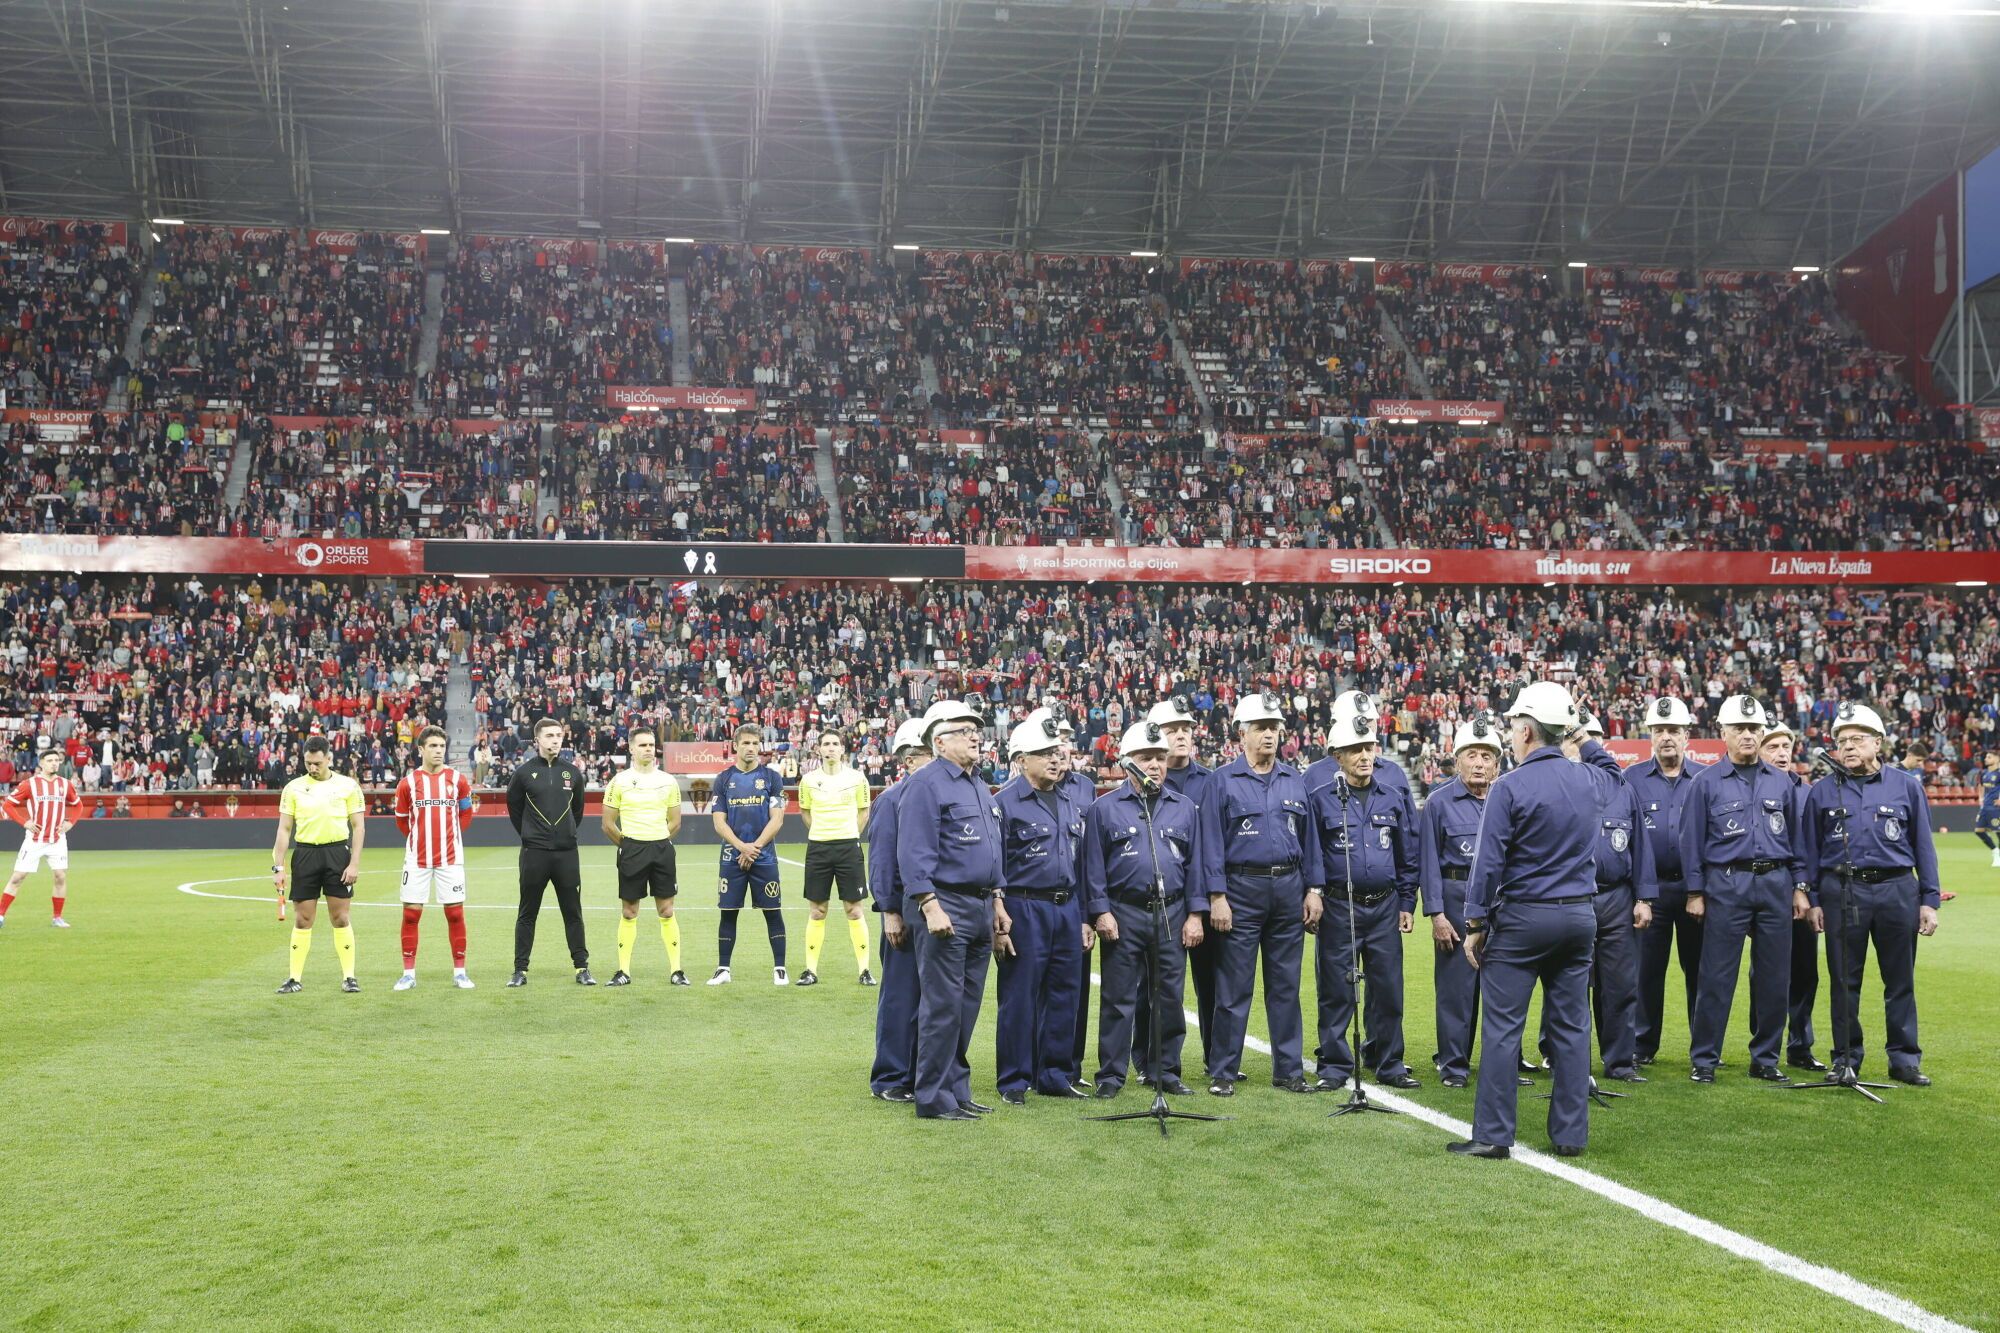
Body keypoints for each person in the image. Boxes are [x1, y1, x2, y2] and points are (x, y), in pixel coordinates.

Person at [1450, 681, 1598, 1160]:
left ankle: (1493, 1135)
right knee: (1573, 1028)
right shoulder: (1590, 780)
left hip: (1524, 920)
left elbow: (1488, 864)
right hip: (1579, 916)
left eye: (1515, 726)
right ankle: (1571, 1135)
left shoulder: (1508, 787)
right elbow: (1614, 771)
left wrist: (1475, 924)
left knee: (1502, 1028)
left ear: (1529, 730)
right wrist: (1584, 737)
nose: (1511, 735)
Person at [1800, 703, 1941, 1086]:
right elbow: (1809, 851)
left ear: (1878, 743)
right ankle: (1846, 1058)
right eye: (1842, 741)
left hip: (1898, 888)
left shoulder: (1907, 786)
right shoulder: (1822, 791)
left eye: (1857, 739)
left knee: (1900, 980)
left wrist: (1929, 899)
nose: (1848, 747)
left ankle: (1904, 1059)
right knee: (1844, 980)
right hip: (1842, 889)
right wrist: (1812, 900)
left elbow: (1923, 846)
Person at [1196, 691, 1323, 1097]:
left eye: (1275, 728)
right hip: (1241, 889)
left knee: (1286, 985)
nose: (1270, 735)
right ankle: (1223, 1071)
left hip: (1288, 888)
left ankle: (1289, 1070)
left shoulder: (1294, 780)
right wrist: (1217, 896)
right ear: (1241, 733)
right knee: (1233, 987)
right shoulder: (1221, 781)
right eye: (1261, 728)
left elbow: (1311, 842)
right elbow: (1210, 843)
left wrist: (1314, 889)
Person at [896, 699, 1009, 1121]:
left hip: (980, 905)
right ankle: (932, 1096)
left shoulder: (977, 783)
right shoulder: (926, 783)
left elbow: (992, 851)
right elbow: (913, 851)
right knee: (942, 1006)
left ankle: (956, 1089)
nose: (975, 735)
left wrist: (997, 900)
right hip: (947, 904)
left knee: (966, 1006)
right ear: (939, 741)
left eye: (976, 729)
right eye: (964, 730)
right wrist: (929, 904)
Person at [1680, 694, 1802, 1084]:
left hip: (1775, 883)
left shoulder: (1782, 782)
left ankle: (1765, 1058)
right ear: (1724, 733)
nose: (1747, 735)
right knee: (1715, 976)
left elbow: (1797, 841)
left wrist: (1799, 887)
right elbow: (1691, 842)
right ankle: (1704, 1059)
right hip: (1726, 883)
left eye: (1754, 729)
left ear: (1762, 732)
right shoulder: (1704, 783)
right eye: (1740, 729)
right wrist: (1695, 892)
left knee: (1774, 976)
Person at [1083, 721, 1201, 1098]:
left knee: (1169, 995)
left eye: (1160, 758)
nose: (1155, 765)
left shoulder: (1184, 808)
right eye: (1145, 757)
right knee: (1118, 998)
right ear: (1127, 762)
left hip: (1172, 910)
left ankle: (1165, 1071)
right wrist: (1100, 912)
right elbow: (1093, 867)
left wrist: (1195, 914)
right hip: (1123, 910)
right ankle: (1111, 1075)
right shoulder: (1103, 809)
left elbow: (1195, 865)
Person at [1309, 705, 1421, 1091]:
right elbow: (1313, 855)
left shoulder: (1393, 796)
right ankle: (1336, 1065)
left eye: (1369, 747)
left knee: (1388, 987)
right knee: (1337, 988)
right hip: (1339, 905)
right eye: (1354, 749)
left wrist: (1407, 902)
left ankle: (1389, 1061)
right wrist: (1316, 895)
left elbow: (1408, 855)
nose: (1364, 756)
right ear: (1337, 756)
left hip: (1386, 904)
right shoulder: (1321, 798)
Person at [993, 708, 1093, 1104]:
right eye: (1043, 752)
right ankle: (1014, 1080)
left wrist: (1084, 916)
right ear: (1021, 761)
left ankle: (1054, 1073)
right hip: (1024, 906)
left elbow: (1081, 863)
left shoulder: (1070, 800)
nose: (1055, 758)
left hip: (1066, 906)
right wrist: (998, 917)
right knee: (1019, 995)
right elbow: (995, 865)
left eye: (1056, 750)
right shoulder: (1004, 803)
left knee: (1064, 992)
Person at [1557, 717, 1657, 1082]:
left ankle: (1619, 1062)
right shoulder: (1559, 786)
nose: (1586, 748)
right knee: (1569, 985)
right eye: (1580, 741)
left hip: (1617, 896)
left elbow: (1641, 849)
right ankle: (1568, 1061)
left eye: (1593, 741)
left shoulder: (1622, 788)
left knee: (1619, 984)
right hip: (1571, 896)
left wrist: (1644, 897)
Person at [1418, 717, 1502, 1089]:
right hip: (1455, 901)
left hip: (1502, 905)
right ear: (1457, 759)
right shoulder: (1438, 802)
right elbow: (1429, 863)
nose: (1479, 763)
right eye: (1472, 755)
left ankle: (1503, 1063)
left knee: (1503, 989)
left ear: (1498, 764)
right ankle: (1453, 1064)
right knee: (1456, 990)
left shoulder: (1508, 798)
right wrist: (1436, 914)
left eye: (1487, 755)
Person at [1623, 696, 1707, 1066]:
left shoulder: (1705, 780)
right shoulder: (1632, 779)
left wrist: (1699, 890)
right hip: (1650, 891)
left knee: (1700, 971)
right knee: (1646, 973)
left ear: (1687, 736)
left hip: (1694, 893)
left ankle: (1703, 1045)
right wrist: (1639, 893)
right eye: (1659, 730)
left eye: (1674, 730)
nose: (1667, 737)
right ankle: (1643, 1045)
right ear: (1650, 736)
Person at [1134, 697, 1212, 1085]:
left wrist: (1209, 900)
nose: (1180, 735)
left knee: (1208, 983)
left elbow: (1211, 846)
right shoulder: (1143, 779)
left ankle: (1216, 1059)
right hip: (1148, 901)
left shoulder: (1212, 780)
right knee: (1145, 987)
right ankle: (1143, 1059)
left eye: (1186, 729)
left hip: (1196, 896)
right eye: (1171, 730)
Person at [272, 737, 367, 993]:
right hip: (305, 855)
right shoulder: (293, 788)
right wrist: (278, 867)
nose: (312, 768)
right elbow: (284, 829)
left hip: (337, 854)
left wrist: (354, 863)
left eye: (316, 763)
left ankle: (349, 977)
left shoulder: (348, 786)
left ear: (329, 758)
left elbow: (358, 828)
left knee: (341, 917)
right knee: (303, 920)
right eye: (307, 763)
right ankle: (294, 978)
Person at [868, 718, 931, 1102]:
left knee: (934, 998)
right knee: (901, 996)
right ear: (908, 761)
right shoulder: (891, 800)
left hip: (941, 910)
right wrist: (890, 911)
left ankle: (924, 1071)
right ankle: (891, 1077)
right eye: (926, 754)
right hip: (905, 914)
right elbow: (881, 863)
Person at [1757, 720, 1824, 1071]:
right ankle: (1762, 1044)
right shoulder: (1748, 787)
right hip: (1761, 892)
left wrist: (1811, 894)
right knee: (1765, 973)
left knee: (1804, 973)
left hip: (1802, 896)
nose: (1782, 753)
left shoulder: (1808, 791)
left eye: (1786, 746)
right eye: (1773, 747)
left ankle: (1800, 1046)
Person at [505, 717, 592, 987]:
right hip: (534, 853)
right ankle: (520, 971)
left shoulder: (573, 773)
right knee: (527, 912)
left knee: (573, 912)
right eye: (549, 736)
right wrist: (534, 835)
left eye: (558, 735)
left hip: (566, 853)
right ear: (537, 741)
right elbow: (515, 810)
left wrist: (562, 835)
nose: (555, 740)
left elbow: (577, 812)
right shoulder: (522, 773)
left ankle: (582, 968)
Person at [392, 726, 475, 991]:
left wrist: (451, 837)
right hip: (417, 859)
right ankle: (408, 974)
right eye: (433, 746)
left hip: (451, 859)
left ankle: (460, 973)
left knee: (454, 913)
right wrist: (421, 839)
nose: (439, 751)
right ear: (421, 750)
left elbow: (466, 813)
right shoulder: (408, 783)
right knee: (412, 914)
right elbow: (402, 822)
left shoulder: (458, 780)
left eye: (441, 746)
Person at [601, 729, 685, 987]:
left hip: (661, 849)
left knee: (667, 910)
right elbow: (608, 824)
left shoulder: (668, 781)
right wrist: (628, 846)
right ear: (632, 749)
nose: (649, 749)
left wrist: (658, 839)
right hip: (632, 850)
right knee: (629, 912)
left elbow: (675, 822)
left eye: (651, 745)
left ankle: (677, 971)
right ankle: (623, 971)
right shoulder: (619, 781)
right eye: (643, 745)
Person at [709, 725, 790, 986]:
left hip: (764, 856)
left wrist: (753, 847)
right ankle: (723, 969)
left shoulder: (771, 777)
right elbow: (719, 823)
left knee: (773, 911)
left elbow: (777, 820)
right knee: (728, 912)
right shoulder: (723, 779)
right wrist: (742, 847)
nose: (751, 748)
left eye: (755, 743)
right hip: (732, 856)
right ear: (735, 745)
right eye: (746, 743)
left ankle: (780, 968)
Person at [797, 729, 873, 987]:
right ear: (818, 749)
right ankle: (810, 970)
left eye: (835, 744)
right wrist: (822, 833)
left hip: (848, 847)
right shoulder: (807, 780)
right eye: (826, 744)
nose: (830, 748)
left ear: (842, 749)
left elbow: (864, 812)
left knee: (854, 909)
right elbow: (806, 813)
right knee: (817, 910)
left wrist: (849, 835)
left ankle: (864, 970)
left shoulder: (857, 778)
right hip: (818, 848)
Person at [1, 750, 82, 930]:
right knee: (18, 877)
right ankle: (0, 915)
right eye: (50, 760)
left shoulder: (65, 784)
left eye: (56, 760)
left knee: (60, 876)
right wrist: (24, 822)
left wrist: (70, 823)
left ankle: (57, 917)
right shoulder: (30, 784)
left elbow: (78, 805)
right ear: (41, 763)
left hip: (57, 839)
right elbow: (8, 804)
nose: (54, 763)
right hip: (35, 839)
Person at [1972, 748, 2000, 869]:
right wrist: (1980, 798)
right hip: (1986, 806)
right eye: (1986, 757)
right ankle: (1995, 850)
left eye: (1989, 757)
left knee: (1998, 831)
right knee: (1978, 830)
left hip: (1996, 806)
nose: (1986, 759)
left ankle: (1998, 857)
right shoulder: (1983, 773)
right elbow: (1981, 786)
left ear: (1997, 759)